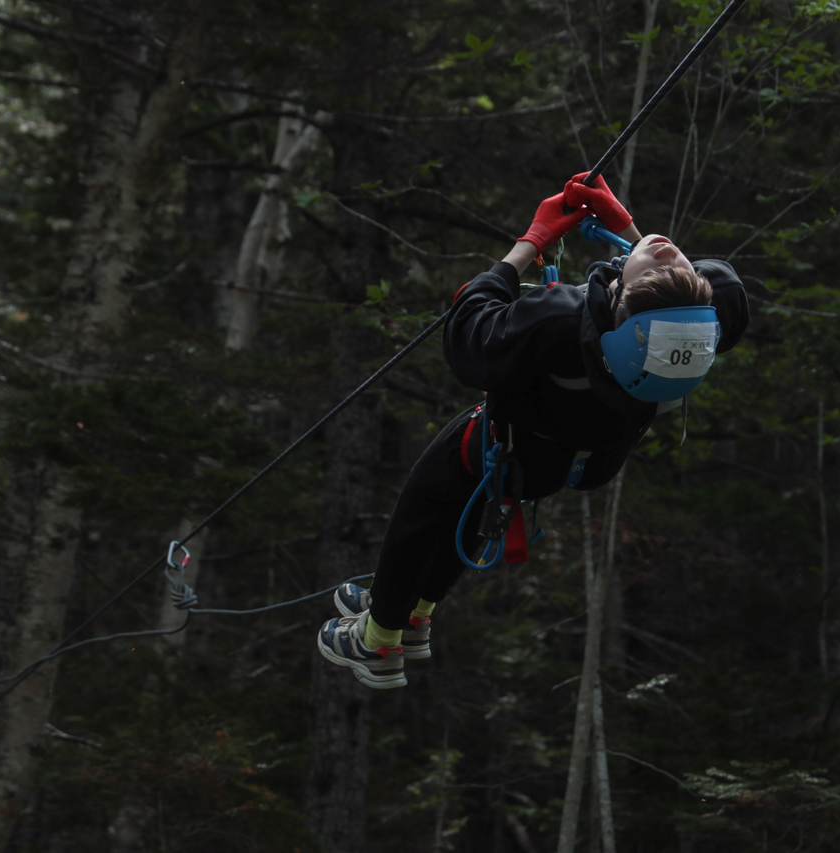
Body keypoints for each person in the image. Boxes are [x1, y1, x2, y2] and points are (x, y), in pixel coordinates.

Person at [317, 172, 750, 688]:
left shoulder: (558, 323)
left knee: (426, 504)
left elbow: (467, 333)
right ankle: (414, 613)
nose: (668, 254)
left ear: (616, 300)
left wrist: (530, 243)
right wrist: (631, 230)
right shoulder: (711, 317)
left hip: (506, 447)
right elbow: (688, 289)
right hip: (583, 459)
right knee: (479, 508)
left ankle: (378, 638)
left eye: (662, 264)